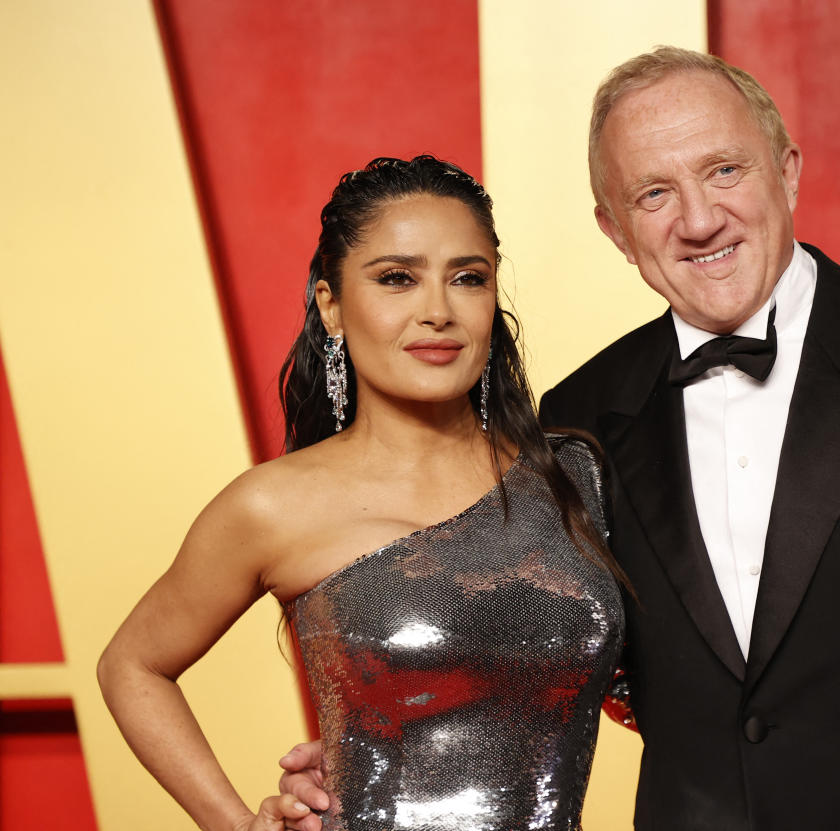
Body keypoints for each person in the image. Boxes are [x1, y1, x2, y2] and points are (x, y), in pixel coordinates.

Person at [280, 48, 840, 830]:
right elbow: (535, 650)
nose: (698, 220)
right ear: (614, 229)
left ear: (788, 172)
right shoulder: (576, 421)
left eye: (724, 170)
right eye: (653, 194)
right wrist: (388, 750)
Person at [97, 156, 625, 831]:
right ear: (332, 304)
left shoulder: (575, 478)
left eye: (468, 278)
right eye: (396, 279)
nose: (437, 310)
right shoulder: (274, 505)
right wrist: (234, 823)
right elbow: (132, 664)